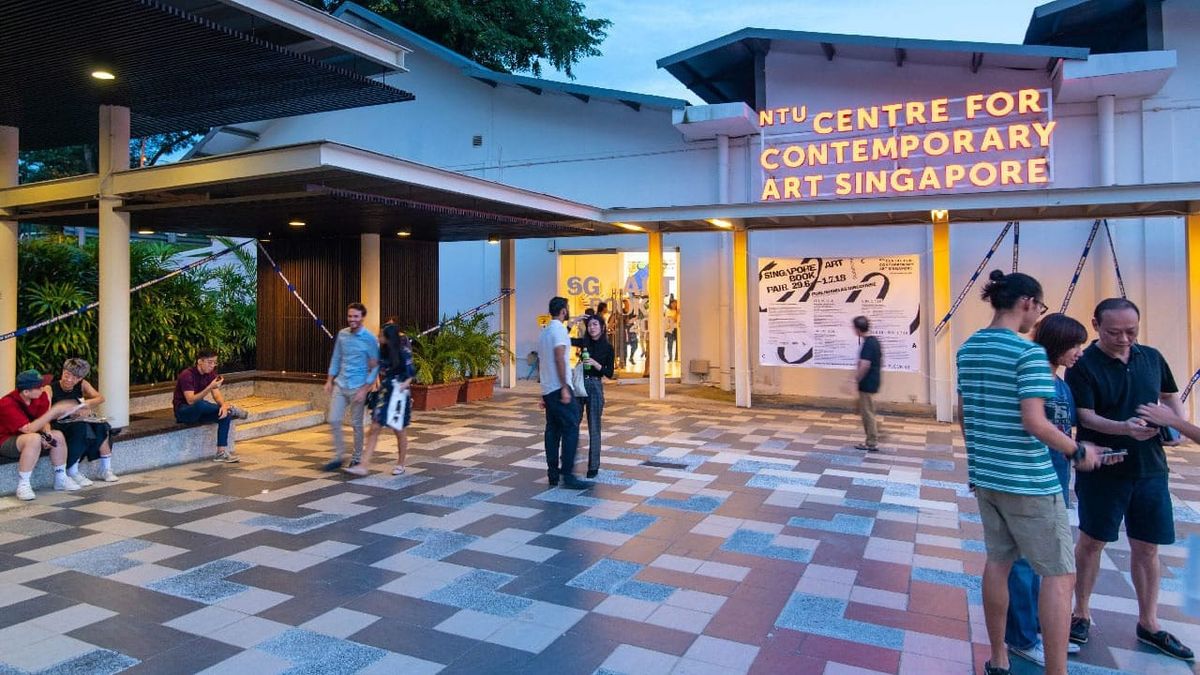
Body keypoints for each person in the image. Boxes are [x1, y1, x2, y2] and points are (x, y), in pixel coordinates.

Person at [957, 270, 1108, 675]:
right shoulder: (1029, 355)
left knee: (998, 564)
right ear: (1026, 302)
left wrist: (978, 465)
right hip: (1029, 481)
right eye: (1039, 308)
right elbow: (1036, 422)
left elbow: (964, 415)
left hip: (987, 478)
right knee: (1060, 575)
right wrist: (1078, 450)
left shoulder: (968, 348)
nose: (1037, 315)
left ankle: (999, 658)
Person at [1067, 298, 1197, 661]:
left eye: (1131, 331)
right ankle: (1081, 612)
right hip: (1104, 468)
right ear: (1096, 326)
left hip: (1150, 468)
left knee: (1148, 547)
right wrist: (1124, 427)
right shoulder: (1083, 364)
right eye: (1114, 332)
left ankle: (1149, 622)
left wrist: (1175, 426)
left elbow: (1169, 395)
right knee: (1092, 541)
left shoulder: (1151, 357)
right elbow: (1085, 416)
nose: (1124, 339)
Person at [1004, 313, 1089, 666]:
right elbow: (1031, 426)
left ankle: (1044, 629)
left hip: (1055, 479)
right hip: (1032, 480)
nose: (1079, 352)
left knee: (1045, 562)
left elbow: (1064, 430)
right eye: (1074, 345)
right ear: (1057, 344)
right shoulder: (1034, 377)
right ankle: (1022, 637)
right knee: (1024, 561)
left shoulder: (1061, 382)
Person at [1, 369, 83, 500]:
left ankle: (60, 478)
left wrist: (47, 435)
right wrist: (53, 412)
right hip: (6, 440)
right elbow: (28, 429)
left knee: (57, 436)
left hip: (31, 435)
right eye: (39, 387)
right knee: (33, 438)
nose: (43, 388)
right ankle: (23, 484)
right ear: (26, 392)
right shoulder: (7, 403)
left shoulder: (41, 396)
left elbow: (44, 422)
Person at [346, 321, 414, 477]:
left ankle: (401, 463)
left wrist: (404, 385)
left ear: (389, 338)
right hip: (385, 392)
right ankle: (363, 465)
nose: (379, 337)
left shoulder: (403, 351)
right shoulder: (381, 351)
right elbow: (374, 369)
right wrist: (364, 389)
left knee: (399, 430)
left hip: (399, 395)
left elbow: (410, 374)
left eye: (382, 335)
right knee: (375, 427)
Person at [538, 296, 592, 489]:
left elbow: (542, 362)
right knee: (571, 427)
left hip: (548, 388)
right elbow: (559, 357)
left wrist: (543, 391)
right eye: (567, 309)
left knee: (552, 430)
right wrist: (564, 387)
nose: (568, 311)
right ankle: (568, 475)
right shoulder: (559, 330)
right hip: (559, 387)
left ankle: (553, 474)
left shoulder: (545, 332)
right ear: (563, 311)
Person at [323, 302, 379, 472]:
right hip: (341, 383)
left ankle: (356, 457)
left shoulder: (369, 338)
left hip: (358, 387)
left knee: (356, 424)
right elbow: (336, 357)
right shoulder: (342, 335)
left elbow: (375, 366)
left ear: (362, 317)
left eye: (356, 316)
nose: (352, 319)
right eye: (350, 316)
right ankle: (339, 456)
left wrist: (365, 389)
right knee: (333, 419)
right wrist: (329, 379)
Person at [47, 358, 118, 485]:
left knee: (102, 426)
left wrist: (86, 404)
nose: (69, 380)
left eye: (75, 378)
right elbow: (45, 413)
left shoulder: (82, 384)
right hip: (59, 423)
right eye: (67, 375)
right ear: (63, 371)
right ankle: (72, 470)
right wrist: (65, 411)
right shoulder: (50, 389)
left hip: (77, 419)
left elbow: (100, 398)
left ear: (80, 378)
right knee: (81, 428)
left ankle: (105, 468)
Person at [173, 349, 249, 463]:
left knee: (225, 414)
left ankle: (221, 453)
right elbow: (190, 400)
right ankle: (231, 408)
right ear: (200, 361)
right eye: (209, 362)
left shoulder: (211, 374)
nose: (212, 365)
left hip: (200, 412)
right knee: (201, 404)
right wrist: (210, 387)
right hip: (184, 412)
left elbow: (216, 395)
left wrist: (223, 406)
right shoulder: (187, 375)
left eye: (214, 362)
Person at [572, 315, 615, 478]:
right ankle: (568, 462)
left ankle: (593, 466)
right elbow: (565, 340)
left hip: (595, 386)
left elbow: (609, 373)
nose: (592, 328)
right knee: (572, 424)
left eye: (595, 324)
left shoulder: (608, 348)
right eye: (589, 325)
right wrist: (572, 322)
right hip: (579, 384)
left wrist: (596, 364)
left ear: (602, 327)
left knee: (594, 427)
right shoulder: (584, 343)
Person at [852, 315, 882, 452]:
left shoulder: (868, 344)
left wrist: (856, 378)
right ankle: (872, 438)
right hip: (872, 381)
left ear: (858, 329)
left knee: (867, 413)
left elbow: (865, 364)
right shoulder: (874, 341)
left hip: (867, 383)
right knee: (867, 411)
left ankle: (872, 442)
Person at [665, 298, 680, 363]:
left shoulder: (677, 311)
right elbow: (671, 320)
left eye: (675, 303)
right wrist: (676, 315)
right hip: (670, 329)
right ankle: (670, 357)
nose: (674, 304)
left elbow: (676, 320)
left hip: (677, 328)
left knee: (678, 343)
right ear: (670, 304)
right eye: (673, 303)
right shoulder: (668, 310)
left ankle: (677, 357)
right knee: (670, 343)